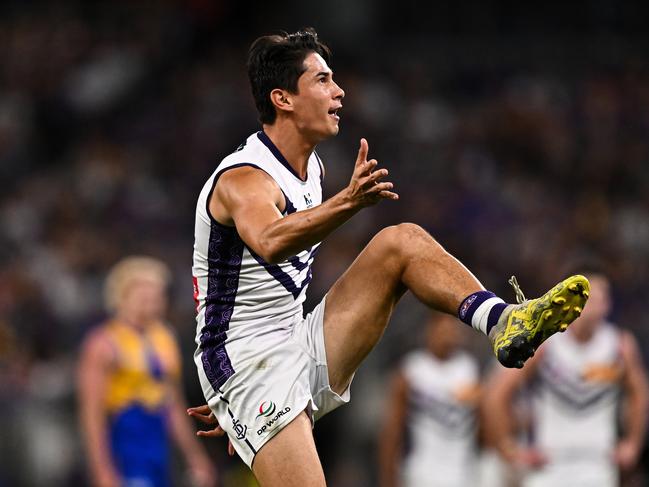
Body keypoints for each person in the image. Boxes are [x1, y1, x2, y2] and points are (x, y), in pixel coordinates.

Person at [189, 28, 589, 486]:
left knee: (401, 242)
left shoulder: (311, 166)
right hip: (246, 362)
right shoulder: (244, 177)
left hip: (292, 343)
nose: (338, 91)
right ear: (283, 99)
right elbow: (269, 240)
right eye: (321, 80)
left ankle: (502, 322)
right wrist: (234, 392)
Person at [483, 271, 649, 487]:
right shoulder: (546, 344)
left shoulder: (619, 346)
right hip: (549, 465)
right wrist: (508, 448)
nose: (599, 305)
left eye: (603, 298)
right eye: (592, 298)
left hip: (598, 464)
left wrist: (633, 444)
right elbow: (497, 392)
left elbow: (639, 393)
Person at [78, 256, 216, 487]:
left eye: (157, 296)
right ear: (122, 296)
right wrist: (102, 470)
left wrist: (196, 457)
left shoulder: (164, 337)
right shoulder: (103, 343)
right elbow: (92, 414)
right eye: (143, 296)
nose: (152, 303)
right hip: (124, 435)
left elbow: (172, 401)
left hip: (158, 437)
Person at [378, 312, 482, 487]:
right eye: (442, 328)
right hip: (421, 473)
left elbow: (480, 424)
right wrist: (388, 477)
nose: (447, 334)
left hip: (464, 473)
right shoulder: (412, 370)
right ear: (429, 330)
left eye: (452, 328)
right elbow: (392, 430)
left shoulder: (469, 369)